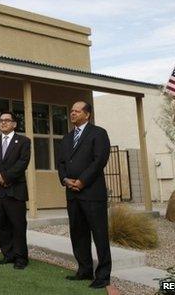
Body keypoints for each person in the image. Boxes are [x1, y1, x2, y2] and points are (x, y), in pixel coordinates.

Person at [56, 101, 112, 289]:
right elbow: (61, 163)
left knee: (99, 234)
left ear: (87, 114)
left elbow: (99, 160)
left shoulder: (98, 134)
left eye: (77, 111)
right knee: (78, 233)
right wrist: (65, 179)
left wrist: (82, 181)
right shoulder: (66, 138)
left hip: (92, 193)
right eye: (71, 110)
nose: (72, 113)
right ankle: (84, 270)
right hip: (72, 194)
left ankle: (103, 275)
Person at [0, 111, 31, 270]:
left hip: (15, 190)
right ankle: (8, 255)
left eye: (7, 120)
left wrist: (6, 177)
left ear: (14, 124)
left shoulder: (24, 141)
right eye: (0, 120)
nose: (3, 123)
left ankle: (20, 258)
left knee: (17, 225)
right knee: (1, 224)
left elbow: (23, 162)